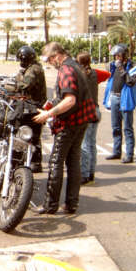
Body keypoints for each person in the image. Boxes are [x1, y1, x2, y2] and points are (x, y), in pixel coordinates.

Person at [33, 42, 97, 214]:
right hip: (81, 120)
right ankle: (71, 203)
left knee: (56, 162)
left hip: (70, 122)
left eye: (50, 60)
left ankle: (50, 205)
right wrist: (50, 107)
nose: (50, 64)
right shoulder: (75, 66)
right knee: (73, 162)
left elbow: (70, 100)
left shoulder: (66, 70)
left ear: (57, 56)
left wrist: (48, 114)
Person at [76, 52, 110, 184]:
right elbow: (108, 74)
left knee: (84, 144)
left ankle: (84, 175)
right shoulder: (95, 73)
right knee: (91, 143)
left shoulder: (78, 75)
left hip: (85, 111)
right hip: (95, 110)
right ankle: (91, 173)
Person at [102, 44, 136, 163]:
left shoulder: (132, 66)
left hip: (125, 99)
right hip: (114, 97)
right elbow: (107, 71)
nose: (116, 57)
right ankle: (116, 152)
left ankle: (129, 155)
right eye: (115, 55)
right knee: (115, 127)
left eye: (118, 55)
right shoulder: (114, 65)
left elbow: (131, 82)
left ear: (124, 55)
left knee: (127, 128)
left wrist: (122, 69)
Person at [14, 45, 47, 173]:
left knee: (31, 133)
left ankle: (34, 162)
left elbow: (25, 85)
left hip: (34, 106)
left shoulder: (33, 70)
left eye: (21, 59)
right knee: (34, 134)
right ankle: (34, 161)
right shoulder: (35, 67)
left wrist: (17, 79)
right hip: (35, 104)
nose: (20, 62)